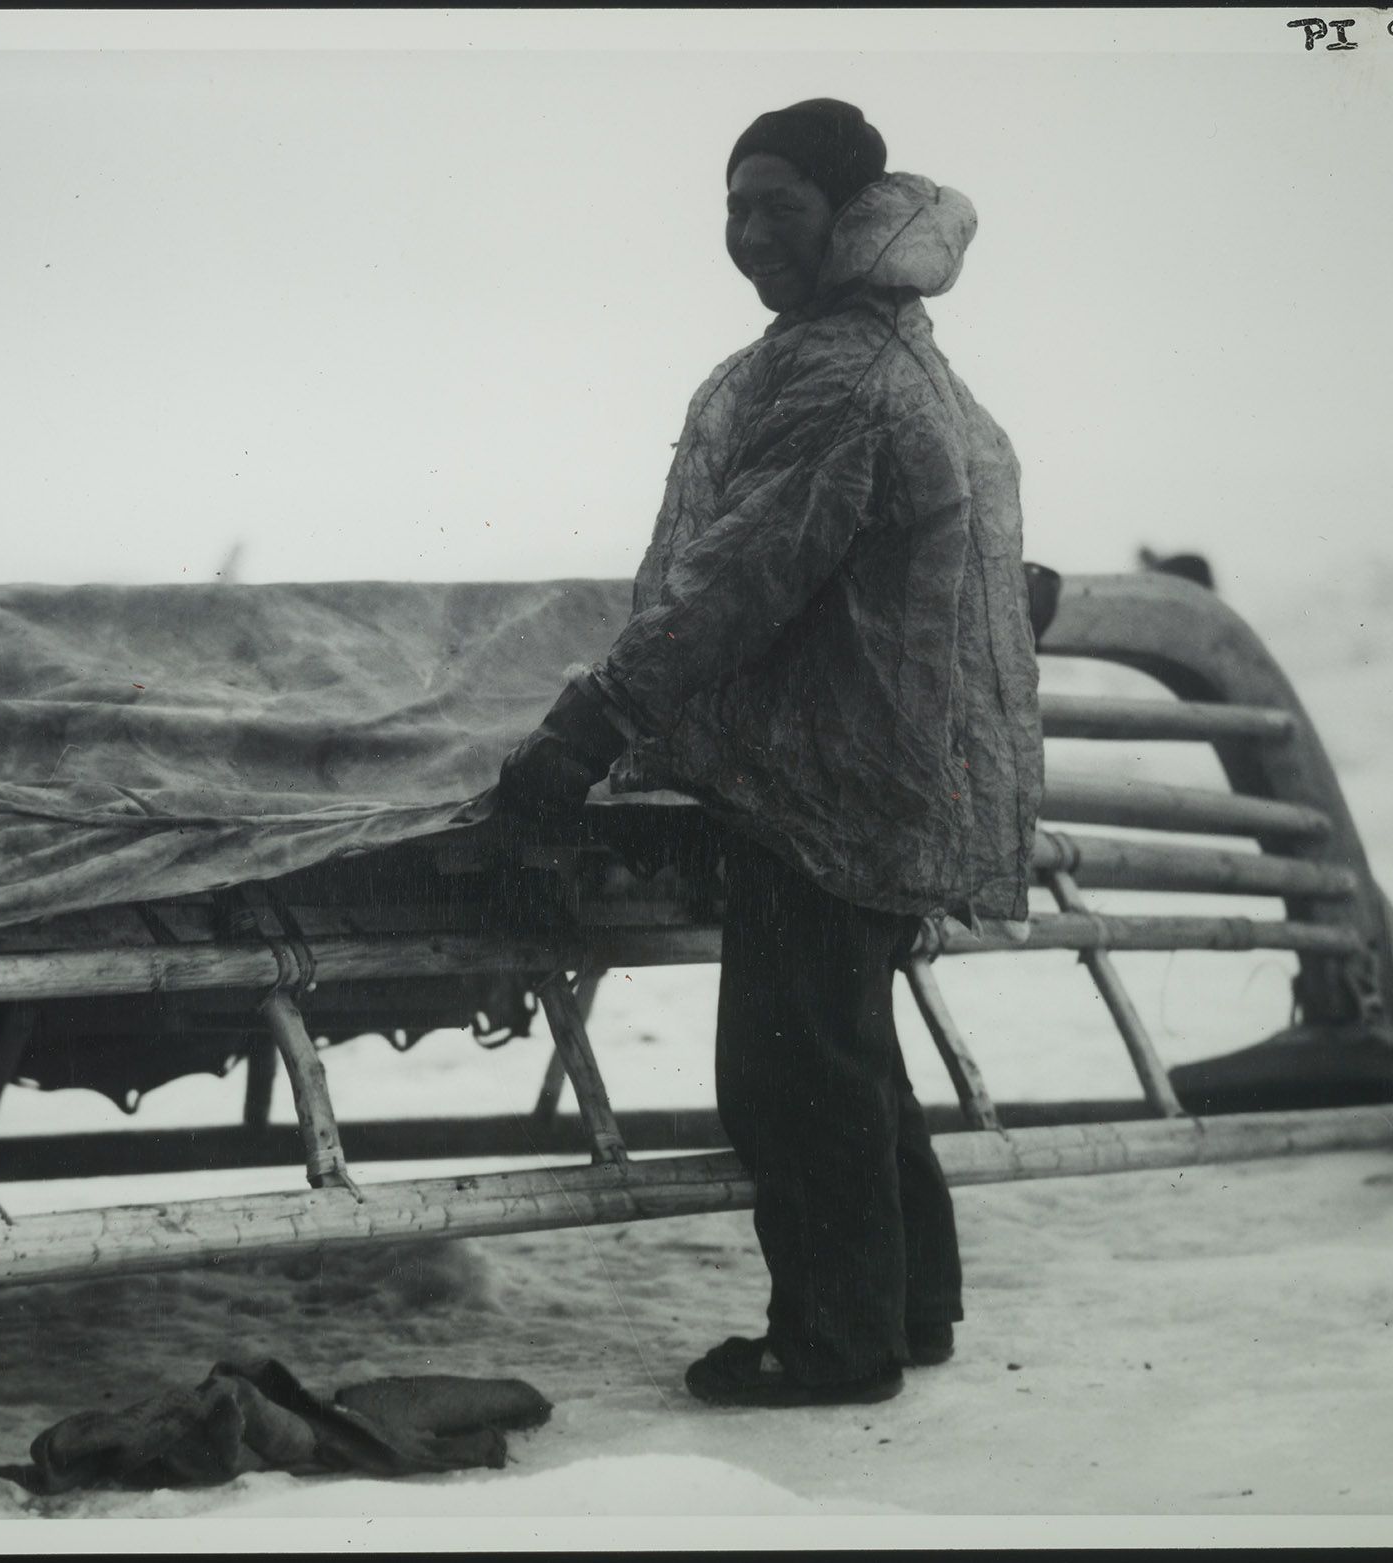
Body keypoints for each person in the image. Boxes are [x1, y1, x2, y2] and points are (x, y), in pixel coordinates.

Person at [497, 99, 1043, 1408]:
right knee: (845, 1050)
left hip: (832, 781)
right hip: (883, 770)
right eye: (734, 208)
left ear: (848, 214)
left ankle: (833, 1345)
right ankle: (905, 1309)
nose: (747, 237)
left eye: (777, 207)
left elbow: (737, 583)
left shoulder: (839, 374)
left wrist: (583, 731)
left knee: (790, 1071)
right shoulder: (896, 352)